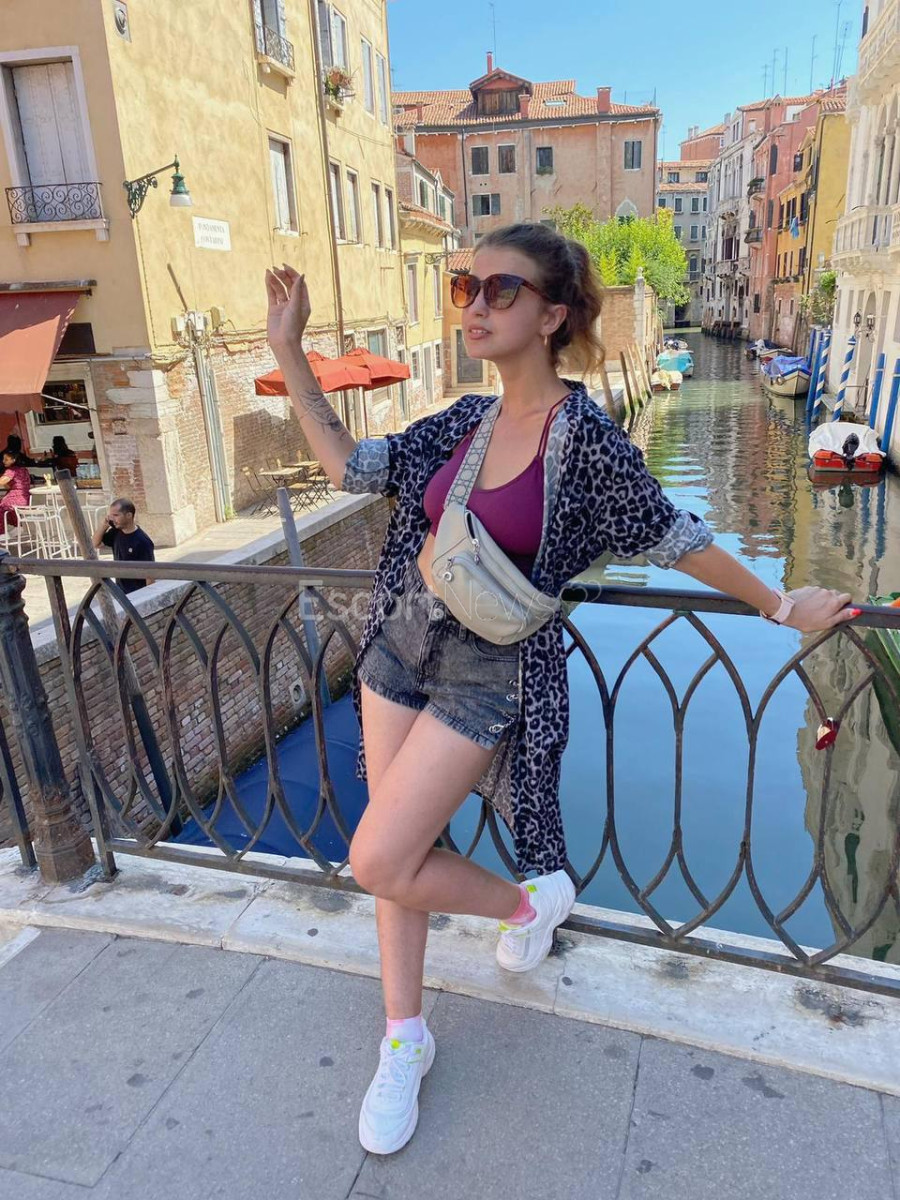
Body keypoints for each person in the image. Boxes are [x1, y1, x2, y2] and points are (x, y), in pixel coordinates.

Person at [264, 226, 859, 1156]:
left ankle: (525, 903)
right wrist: (289, 350)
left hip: (483, 675)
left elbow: (675, 536)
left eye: (500, 290)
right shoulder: (462, 421)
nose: (474, 305)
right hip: (397, 648)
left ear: (552, 316)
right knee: (400, 852)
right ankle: (404, 1037)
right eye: (466, 287)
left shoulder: (584, 442)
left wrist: (781, 605)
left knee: (377, 857)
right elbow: (353, 466)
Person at [91, 498, 155, 593]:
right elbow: (95, 544)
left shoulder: (143, 541)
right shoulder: (115, 532)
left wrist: (148, 595)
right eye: (111, 515)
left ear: (129, 515)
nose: (112, 519)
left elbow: (150, 574)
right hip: (121, 591)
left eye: (116, 515)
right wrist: (104, 526)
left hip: (137, 592)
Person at [0, 450, 32, 533]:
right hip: (25, 498)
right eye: (3, 459)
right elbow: (9, 485)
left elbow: (1, 482)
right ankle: (18, 527)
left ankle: (2, 533)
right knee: (5, 505)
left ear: (13, 460)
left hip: (16, 498)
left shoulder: (11, 470)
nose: (3, 461)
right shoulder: (24, 469)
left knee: (2, 506)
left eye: (6, 459)